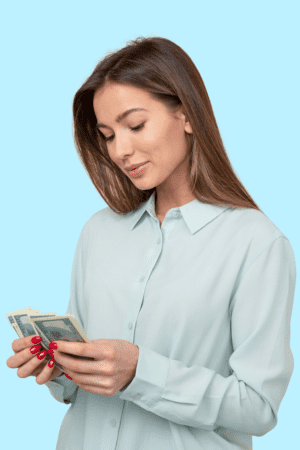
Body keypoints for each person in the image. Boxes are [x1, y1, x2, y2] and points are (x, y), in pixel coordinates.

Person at [7, 36, 296, 449]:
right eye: (107, 135)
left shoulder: (258, 244)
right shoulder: (98, 232)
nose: (120, 150)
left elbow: (258, 407)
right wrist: (59, 367)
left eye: (135, 125)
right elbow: (76, 388)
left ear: (187, 116)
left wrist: (140, 372)